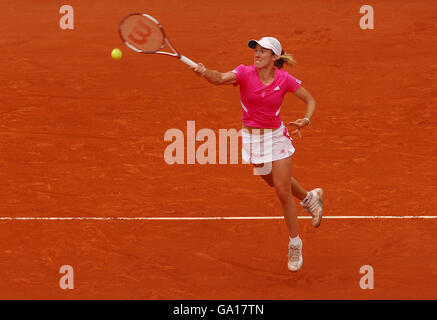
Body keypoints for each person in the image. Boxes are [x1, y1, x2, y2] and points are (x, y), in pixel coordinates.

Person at [192, 37, 323, 272]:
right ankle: (309, 199)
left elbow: (310, 100)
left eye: (264, 51)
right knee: (272, 181)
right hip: (253, 140)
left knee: (283, 191)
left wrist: (306, 119)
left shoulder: (284, 79)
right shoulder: (244, 73)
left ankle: (295, 243)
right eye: (256, 50)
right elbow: (219, 78)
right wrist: (204, 72)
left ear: (275, 58)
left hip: (275, 137)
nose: (257, 54)